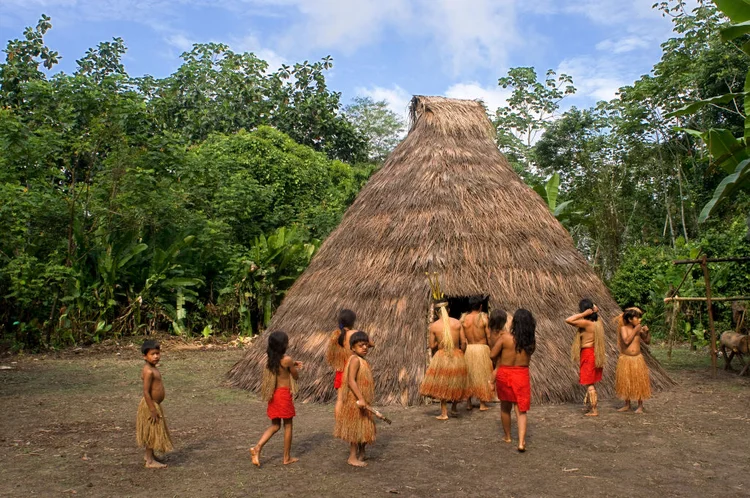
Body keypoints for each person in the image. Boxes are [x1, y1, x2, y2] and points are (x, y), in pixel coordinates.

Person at [250, 331, 302, 467]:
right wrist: (295, 367)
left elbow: (282, 370)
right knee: (288, 425)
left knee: (275, 425)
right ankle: (286, 457)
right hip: (284, 396)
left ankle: (257, 448)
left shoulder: (271, 360)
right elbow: (295, 376)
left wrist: (293, 364)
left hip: (274, 395)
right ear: (283, 345)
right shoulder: (287, 360)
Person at [490, 309, 536, 452]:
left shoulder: (505, 339)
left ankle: (508, 436)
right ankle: (521, 442)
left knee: (505, 407)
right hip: (521, 374)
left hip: (505, 373)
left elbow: (492, 355)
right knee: (521, 409)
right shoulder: (531, 342)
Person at [419, 300, 468, 420]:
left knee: (443, 384)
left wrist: (438, 341)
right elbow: (464, 342)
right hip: (457, 354)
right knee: (457, 382)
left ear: (436, 313)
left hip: (442, 356)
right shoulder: (457, 323)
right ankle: (455, 408)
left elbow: (431, 345)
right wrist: (462, 352)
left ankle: (444, 413)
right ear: (449, 310)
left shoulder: (434, 326)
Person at [334, 331, 376, 467]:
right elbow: (351, 381)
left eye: (365, 345)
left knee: (364, 426)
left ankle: (362, 452)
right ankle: (352, 457)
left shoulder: (362, 360)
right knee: (355, 428)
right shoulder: (355, 360)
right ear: (352, 347)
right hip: (355, 400)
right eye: (360, 345)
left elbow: (371, 343)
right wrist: (361, 399)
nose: (364, 348)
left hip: (363, 398)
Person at [566, 298, 606, 417]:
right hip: (594, 353)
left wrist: (584, 314)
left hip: (588, 354)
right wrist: (595, 312)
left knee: (589, 383)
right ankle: (591, 407)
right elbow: (597, 317)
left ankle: (594, 410)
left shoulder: (586, 323)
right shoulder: (598, 322)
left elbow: (568, 320)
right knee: (591, 382)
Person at [136, 340, 173, 468]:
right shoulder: (148, 371)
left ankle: (149, 456)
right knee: (151, 432)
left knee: (152, 431)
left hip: (154, 404)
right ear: (145, 356)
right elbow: (146, 392)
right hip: (150, 405)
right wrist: (152, 409)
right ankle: (150, 461)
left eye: (158, 353)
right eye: (152, 354)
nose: (156, 356)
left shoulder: (153, 368)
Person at [615, 307, 651, 414]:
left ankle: (640, 405)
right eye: (637, 318)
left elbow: (647, 341)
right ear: (630, 319)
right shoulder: (623, 329)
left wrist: (647, 332)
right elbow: (626, 341)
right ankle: (627, 404)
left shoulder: (639, 329)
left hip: (637, 359)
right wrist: (636, 330)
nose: (639, 320)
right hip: (626, 359)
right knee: (626, 381)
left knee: (639, 382)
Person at [461, 296, 494, 411]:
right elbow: (489, 336)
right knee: (483, 375)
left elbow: (463, 338)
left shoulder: (464, 319)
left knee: (469, 376)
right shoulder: (483, 318)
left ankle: (469, 403)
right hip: (482, 349)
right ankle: (482, 403)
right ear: (480, 306)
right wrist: (492, 348)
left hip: (469, 349)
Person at [326, 309, 357, 418]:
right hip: (352, 370)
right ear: (352, 322)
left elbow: (331, 355)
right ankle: (352, 421)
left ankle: (339, 423)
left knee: (340, 399)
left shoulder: (336, 335)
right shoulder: (353, 334)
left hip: (340, 370)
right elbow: (370, 342)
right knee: (354, 398)